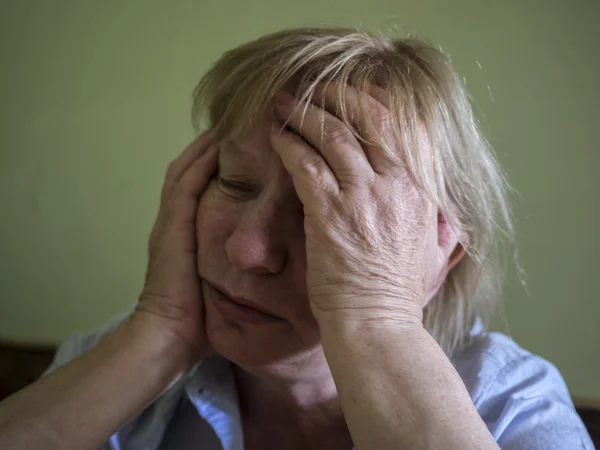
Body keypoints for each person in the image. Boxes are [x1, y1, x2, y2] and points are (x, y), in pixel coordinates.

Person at [0, 27, 593, 450]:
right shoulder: (113, 358)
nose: (247, 250)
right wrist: (160, 329)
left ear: (437, 259)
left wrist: (378, 319)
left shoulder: (513, 401)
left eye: (320, 218)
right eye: (233, 183)